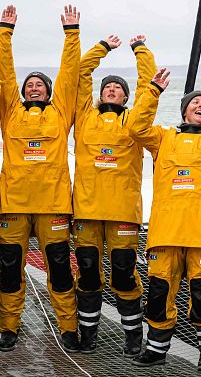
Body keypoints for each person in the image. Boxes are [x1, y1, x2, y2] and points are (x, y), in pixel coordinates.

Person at [128, 61, 201, 372]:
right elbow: (136, 128)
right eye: (195, 102)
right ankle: (156, 349)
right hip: (166, 234)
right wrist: (153, 91)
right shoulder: (163, 138)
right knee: (158, 296)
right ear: (183, 111)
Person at [0, 4, 81, 352]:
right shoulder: (11, 111)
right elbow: (3, 71)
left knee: (59, 272)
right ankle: (9, 328)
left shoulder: (60, 112)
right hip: (13, 206)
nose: (32, 88)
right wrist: (5, 31)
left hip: (53, 207)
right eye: (28, 85)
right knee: (11, 271)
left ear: (47, 91)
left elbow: (70, 74)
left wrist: (71, 34)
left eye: (38, 85)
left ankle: (69, 329)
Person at [72, 34, 155, 355]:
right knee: (89, 274)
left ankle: (133, 335)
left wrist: (141, 51)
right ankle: (88, 335)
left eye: (119, 89)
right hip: (87, 213)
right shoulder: (85, 117)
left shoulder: (135, 120)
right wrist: (102, 48)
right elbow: (80, 74)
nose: (112, 90)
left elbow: (150, 90)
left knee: (123, 275)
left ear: (125, 98)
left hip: (123, 213)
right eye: (108, 86)